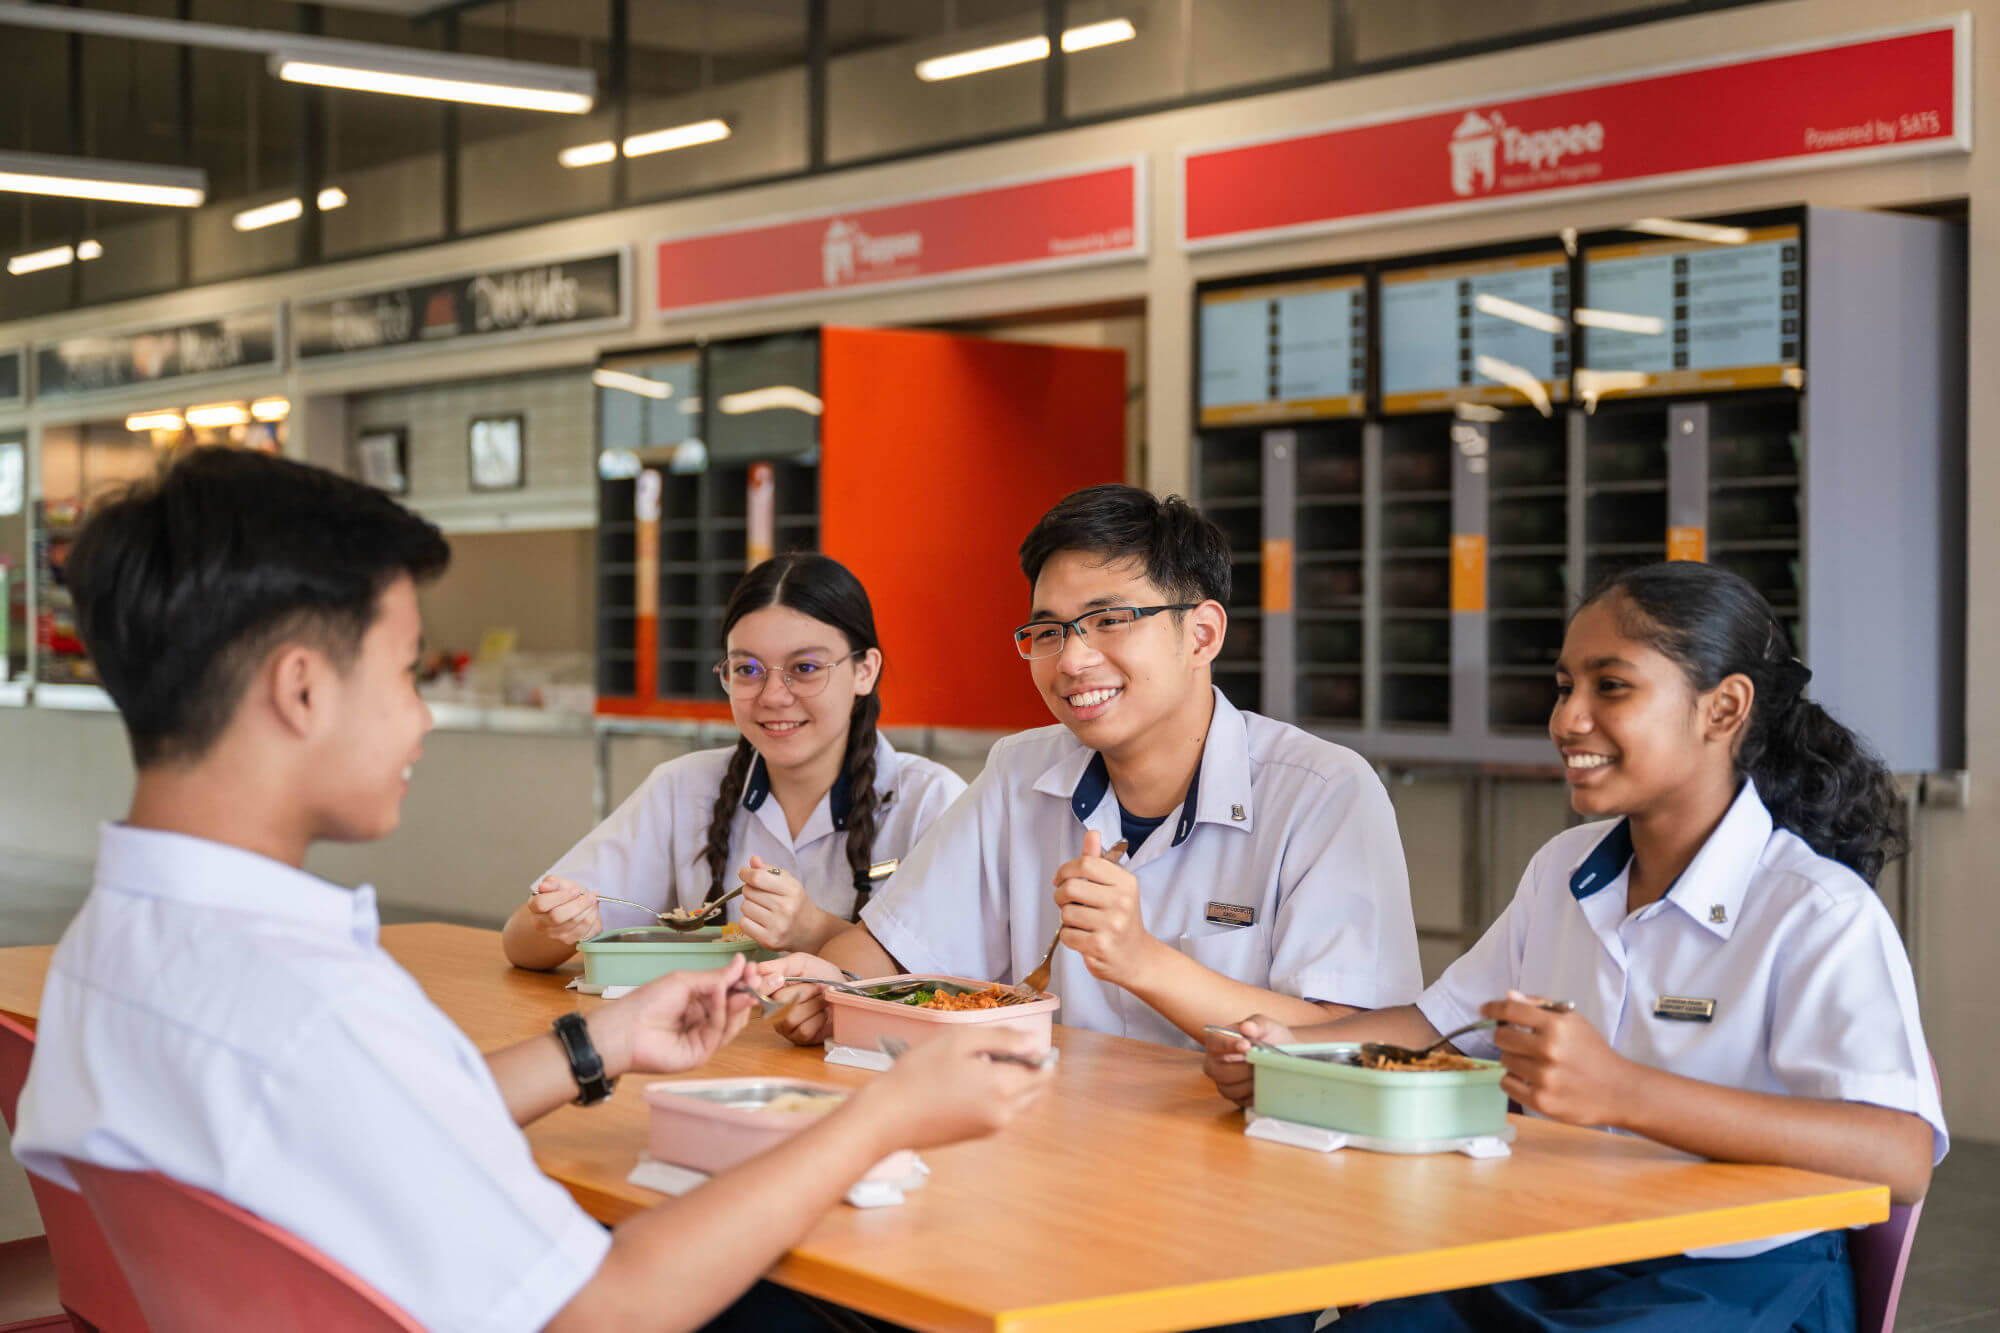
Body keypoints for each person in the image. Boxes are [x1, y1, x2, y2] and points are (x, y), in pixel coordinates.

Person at [12, 448, 1053, 1333]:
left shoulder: (114, 947)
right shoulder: (311, 998)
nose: (423, 720)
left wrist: (591, 1046)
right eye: (409, 672)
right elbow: (608, 1307)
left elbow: (384, 1111)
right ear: (301, 686)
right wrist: (881, 1120)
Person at [1203, 561, 1945, 1331]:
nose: (1568, 719)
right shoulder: (1563, 870)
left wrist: (1624, 1092)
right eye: (1564, 687)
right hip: (1559, 1252)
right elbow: (1437, 1027)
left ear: (1723, 708)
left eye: (1611, 687)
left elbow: (1899, 1155)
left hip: (1738, 1276)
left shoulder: (1816, 911)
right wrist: (1287, 1052)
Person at [766, 484, 1421, 1049]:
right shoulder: (1020, 773)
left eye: (1110, 619)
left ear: (1202, 634)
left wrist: (1142, 960)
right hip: (1055, 1137)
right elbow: (891, 951)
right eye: (1047, 631)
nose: (1072, 660)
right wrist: (825, 985)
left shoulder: (1323, 793)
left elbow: (1359, 1036)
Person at [504, 553, 965, 966]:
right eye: (748, 670)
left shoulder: (930, 800)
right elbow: (518, 941)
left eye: (805, 668)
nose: (773, 696)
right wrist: (561, 926)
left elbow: (954, 981)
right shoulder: (684, 786)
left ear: (865, 671)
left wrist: (813, 930)